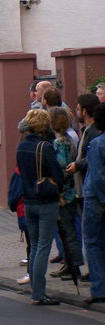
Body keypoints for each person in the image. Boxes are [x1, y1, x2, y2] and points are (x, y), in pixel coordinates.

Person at [17, 109, 64, 305]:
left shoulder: (21, 147)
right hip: (45, 201)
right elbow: (58, 174)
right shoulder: (45, 147)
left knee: (35, 246)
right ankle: (38, 292)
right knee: (44, 247)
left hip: (28, 201)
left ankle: (36, 290)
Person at [49, 107, 84, 280]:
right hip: (71, 191)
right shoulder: (69, 139)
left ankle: (74, 266)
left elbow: (62, 168)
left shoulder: (59, 143)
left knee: (67, 232)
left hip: (65, 194)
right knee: (69, 231)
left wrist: (59, 193)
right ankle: (72, 264)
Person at [82, 103, 105, 305]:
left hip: (96, 198)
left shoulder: (97, 143)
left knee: (93, 242)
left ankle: (99, 288)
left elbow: (97, 176)